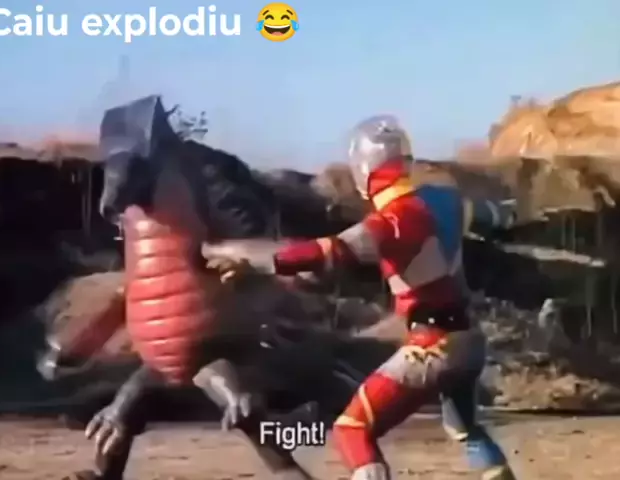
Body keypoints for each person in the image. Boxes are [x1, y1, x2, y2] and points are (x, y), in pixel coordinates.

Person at [204, 114, 517, 480]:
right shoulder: (445, 200)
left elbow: (326, 251)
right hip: (470, 341)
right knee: (466, 429)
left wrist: (257, 264)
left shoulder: (391, 222)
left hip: (433, 345)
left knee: (352, 430)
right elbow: (495, 215)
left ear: (364, 171)